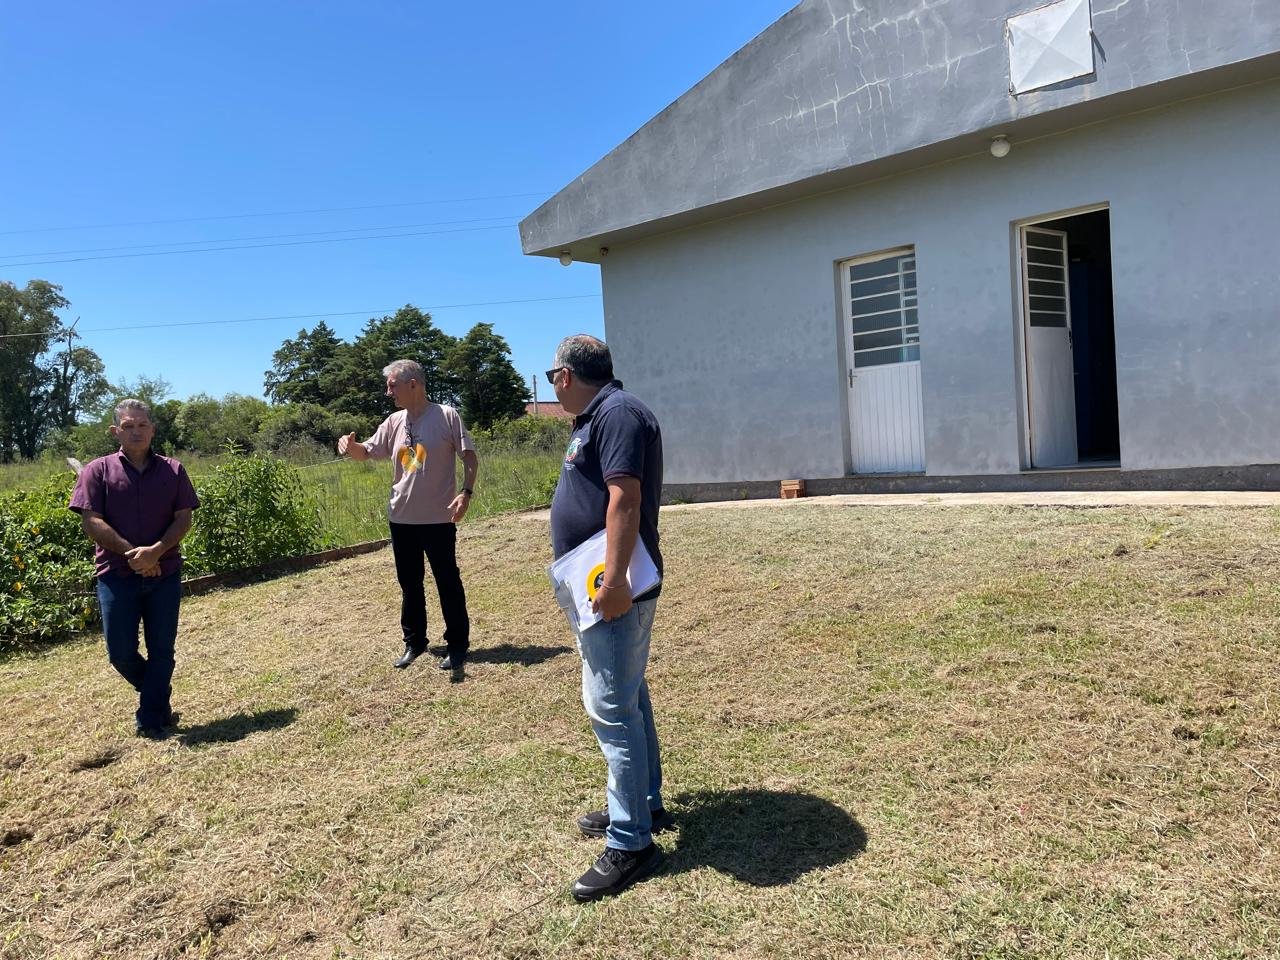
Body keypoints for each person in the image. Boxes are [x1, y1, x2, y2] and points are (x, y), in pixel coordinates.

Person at [548, 334, 671, 902]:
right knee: (629, 696)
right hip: (598, 582)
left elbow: (625, 498)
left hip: (615, 587)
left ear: (565, 375)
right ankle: (643, 804)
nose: (553, 387)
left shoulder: (616, 413)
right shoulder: (598, 416)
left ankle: (631, 840)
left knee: (612, 708)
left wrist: (615, 581)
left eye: (552, 378)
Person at [69, 399, 200, 739]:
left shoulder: (174, 470)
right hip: (116, 575)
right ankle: (158, 691)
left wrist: (156, 552)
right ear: (116, 431)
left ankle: (151, 719)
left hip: (165, 573)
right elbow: (91, 520)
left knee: (162, 650)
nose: (136, 432)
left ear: (152, 430)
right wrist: (134, 555)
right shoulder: (96, 471)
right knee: (121, 653)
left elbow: (183, 518)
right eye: (128, 426)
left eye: (142, 425)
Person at [337, 359, 478, 672]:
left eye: (392, 385)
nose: (388, 392)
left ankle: (457, 645)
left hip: (438, 519)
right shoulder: (393, 422)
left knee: (447, 582)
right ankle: (414, 642)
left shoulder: (446, 416)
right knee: (409, 584)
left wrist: (466, 493)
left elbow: (469, 457)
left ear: (413, 384)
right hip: (401, 519)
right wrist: (349, 446)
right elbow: (366, 452)